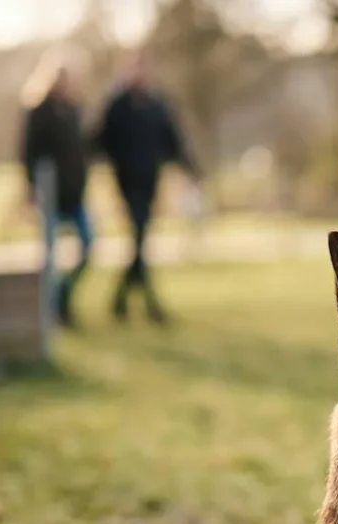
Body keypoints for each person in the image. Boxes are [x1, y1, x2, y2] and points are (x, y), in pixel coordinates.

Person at [92, 50, 201, 326]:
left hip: (150, 182)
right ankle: (149, 305)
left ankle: (121, 301)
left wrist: (193, 169)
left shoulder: (157, 105)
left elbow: (173, 141)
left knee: (139, 242)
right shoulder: (117, 106)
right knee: (139, 237)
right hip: (127, 184)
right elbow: (99, 141)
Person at [20, 46, 95, 329]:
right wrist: (29, 187)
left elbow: (84, 149)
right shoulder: (38, 112)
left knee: (88, 245)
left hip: (75, 194)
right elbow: (28, 152)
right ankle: (50, 309)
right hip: (50, 194)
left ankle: (62, 296)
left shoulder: (75, 111)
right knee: (49, 254)